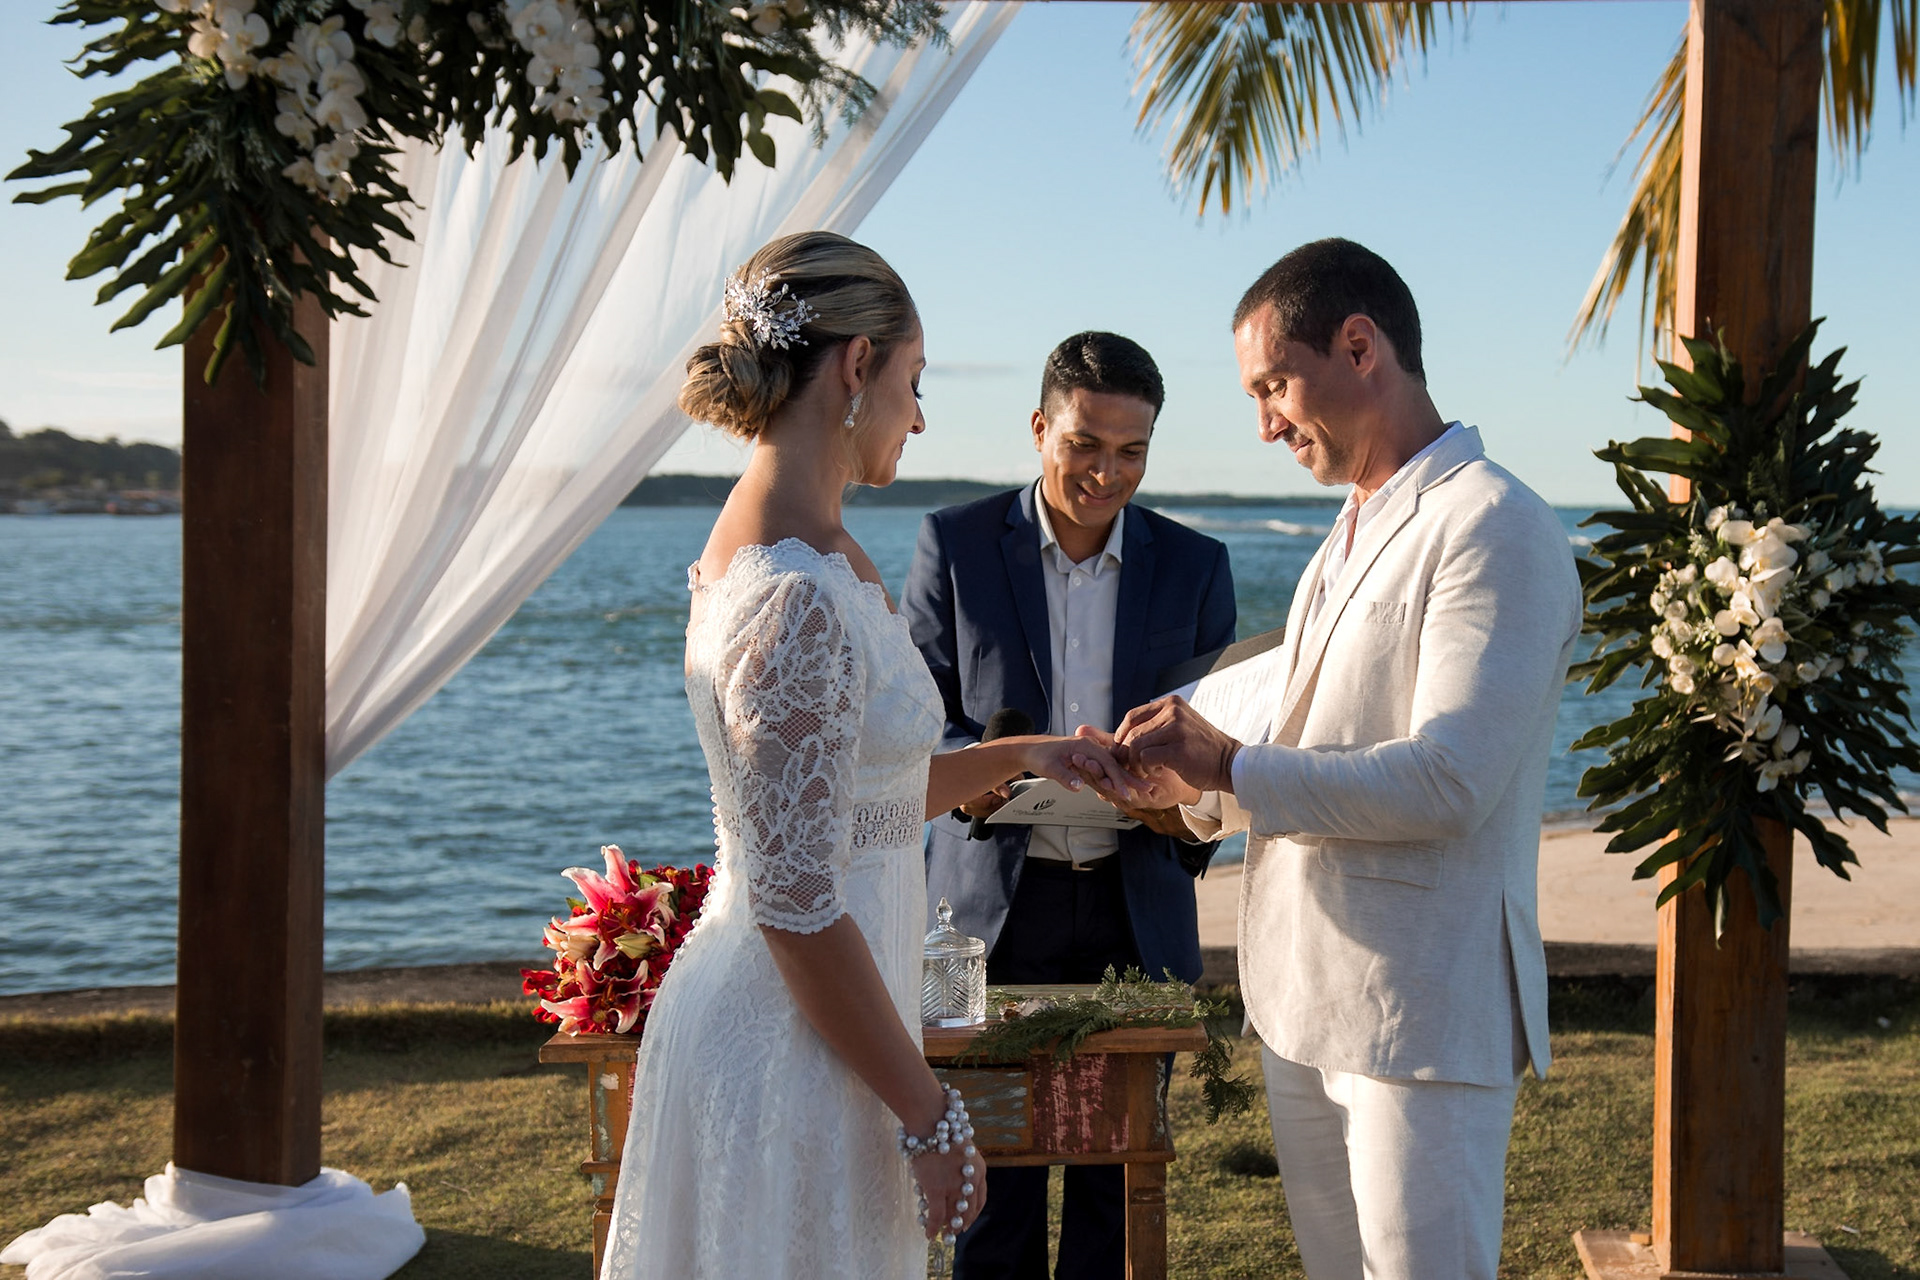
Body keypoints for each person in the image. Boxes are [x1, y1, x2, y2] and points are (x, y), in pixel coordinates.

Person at [598, 232, 1143, 1280]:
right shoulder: (793, 596)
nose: (920, 413)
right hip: (789, 1047)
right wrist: (929, 1111)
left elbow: (869, 802)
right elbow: (797, 904)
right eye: (913, 379)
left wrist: (1033, 755)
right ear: (855, 367)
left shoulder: (820, 551)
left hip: (839, 1036)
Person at [1103, 239, 1581, 1280]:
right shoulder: (1353, 525)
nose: (1265, 422)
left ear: (1360, 346)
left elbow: (1451, 778)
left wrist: (1226, 766)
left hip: (1420, 1008)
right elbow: (1303, 719)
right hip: (1308, 996)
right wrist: (1181, 784)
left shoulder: (1493, 524)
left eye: (1275, 384)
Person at [900, 331, 1236, 1280]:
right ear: (1041, 427)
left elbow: (1213, 741)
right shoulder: (956, 544)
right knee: (994, 1191)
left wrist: (1176, 791)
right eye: (1086, 443)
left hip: (1138, 904)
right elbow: (920, 726)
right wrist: (985, 768)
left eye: (1132, 451)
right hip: (990, 912)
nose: (1107, 472)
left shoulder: (1195, 565)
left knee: (1118, 1187)